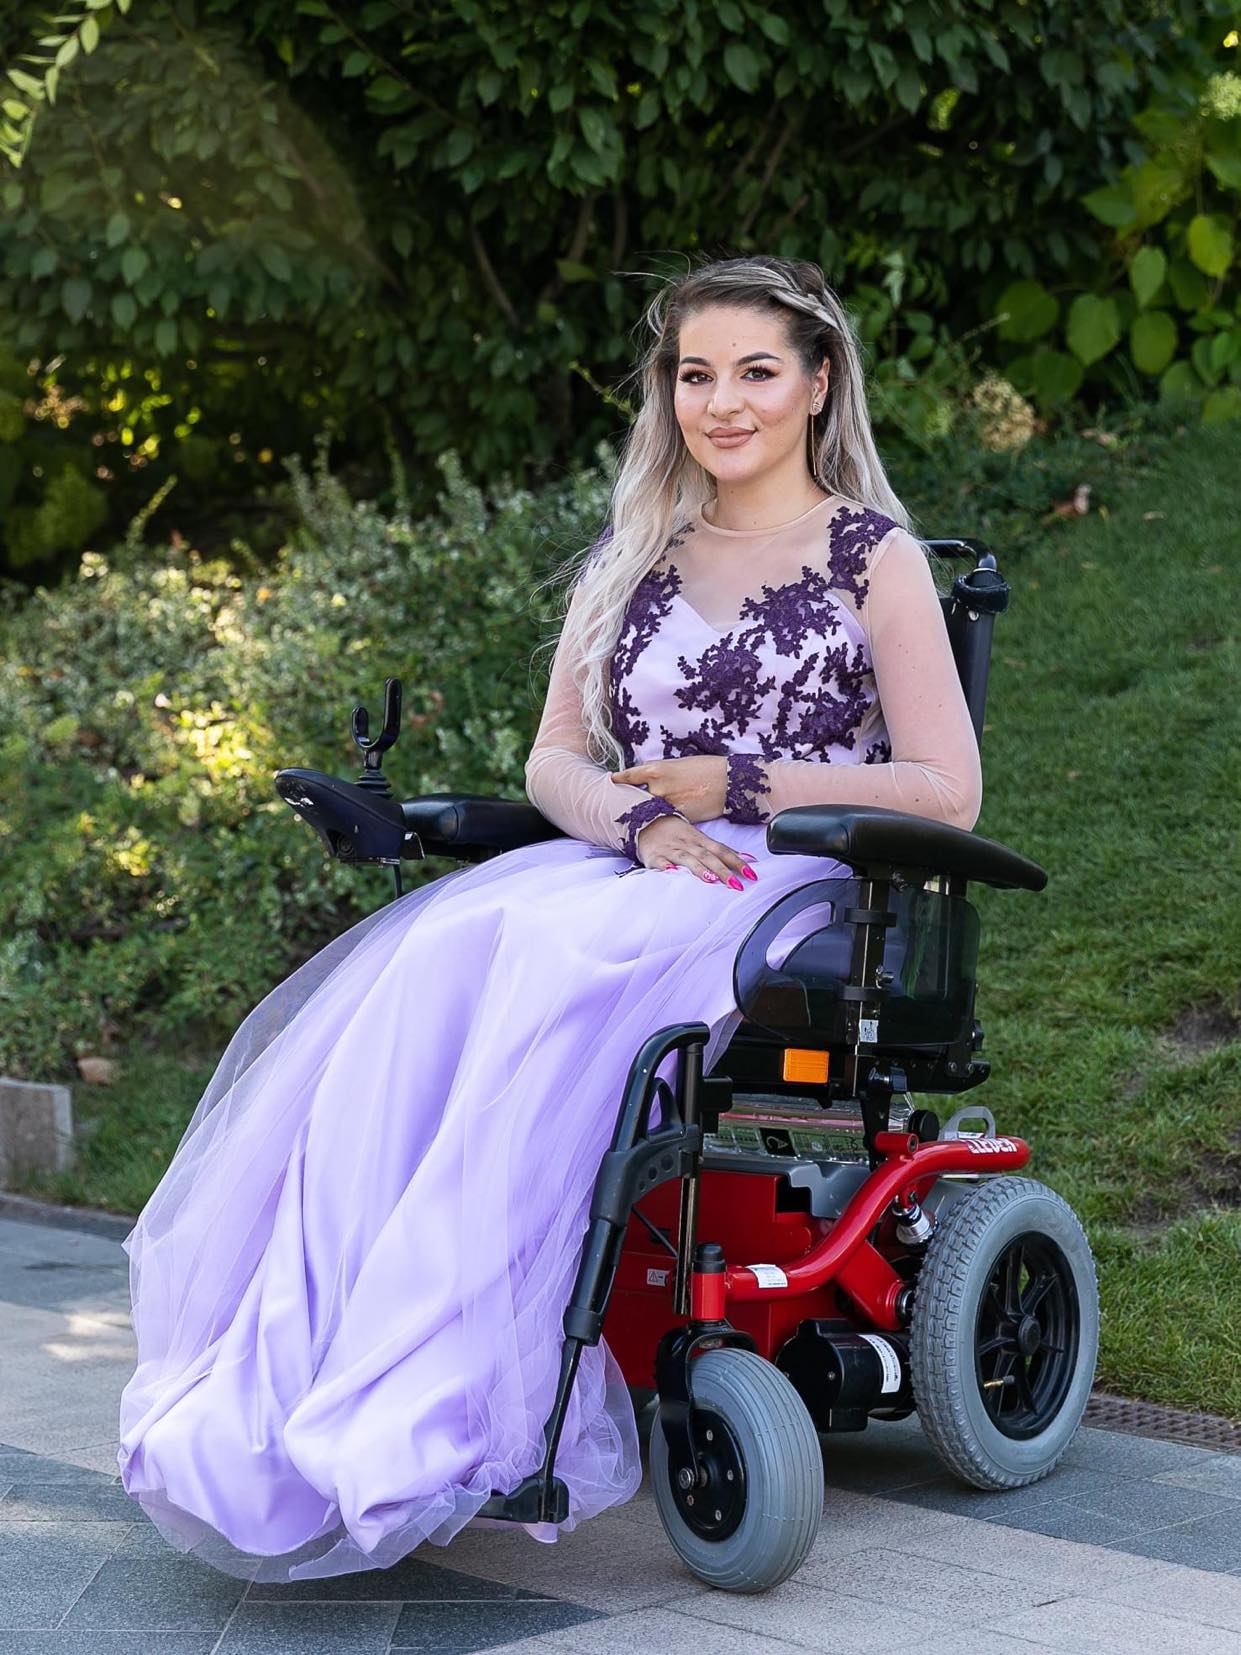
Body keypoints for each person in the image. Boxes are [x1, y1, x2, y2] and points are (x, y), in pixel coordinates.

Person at [116, 254, 981, 1583]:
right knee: (442, 952)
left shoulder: (875, 557)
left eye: (756, 372)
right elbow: (553, 761)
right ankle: (320, 1381)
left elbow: (946, 788)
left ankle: (447, 1398)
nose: (723, 402)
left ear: (817, 384)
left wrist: (738, 783)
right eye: (695, 374)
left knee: (553, 957)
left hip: (791, 873)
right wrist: (633, 822)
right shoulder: (634, 559)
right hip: (635, 858)